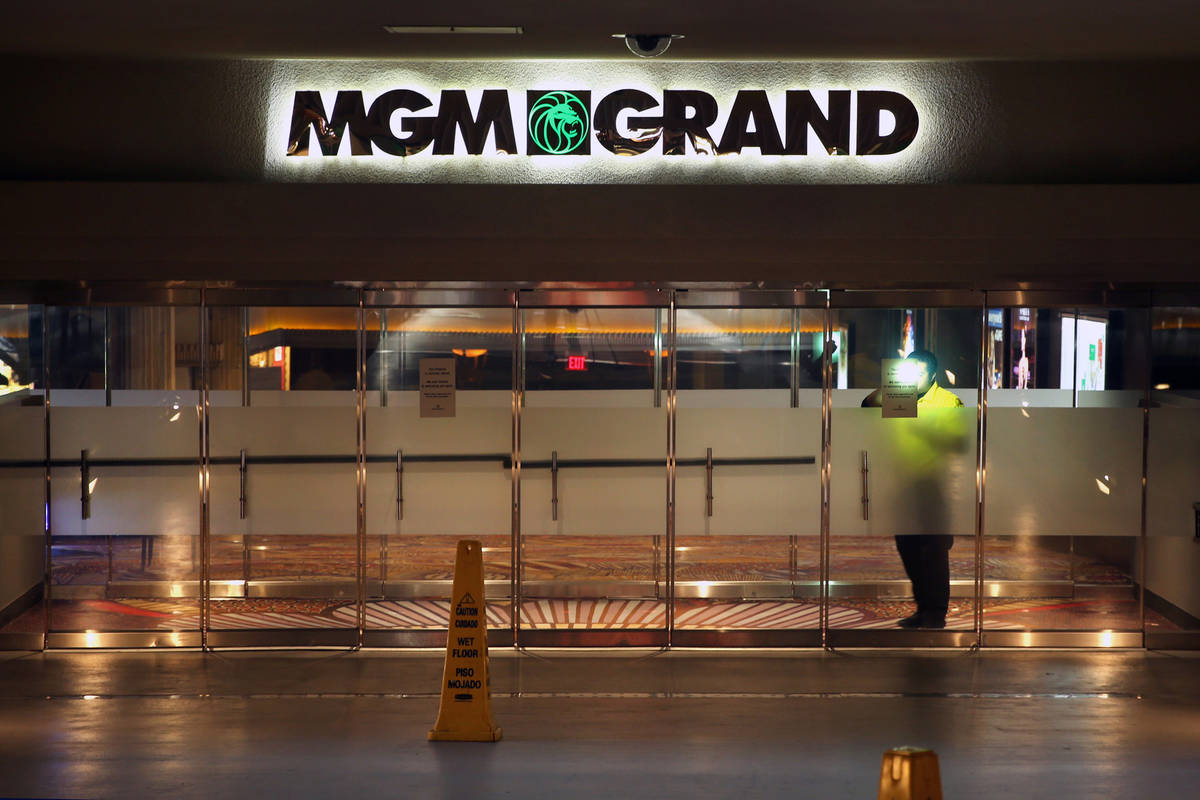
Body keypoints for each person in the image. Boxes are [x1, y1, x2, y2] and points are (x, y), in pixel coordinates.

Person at [862, 349, 964, 629]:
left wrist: (921, 426)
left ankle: (935, 612)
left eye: (918, 371)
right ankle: (923, 608)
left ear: (932, 374)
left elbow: (958, 443)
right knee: (907, 547)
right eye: (908, 371)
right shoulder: (899, 396)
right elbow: (866, 408)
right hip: (903, 484)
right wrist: (889, 385)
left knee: (933, 550)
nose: (914, 377)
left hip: (934, 486)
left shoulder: (947, 401)